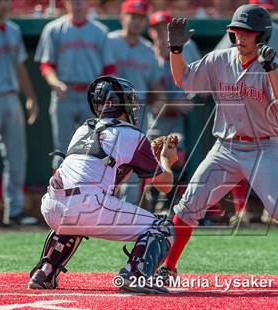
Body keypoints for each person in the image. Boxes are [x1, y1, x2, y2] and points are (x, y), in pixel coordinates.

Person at [156, 4, 278, 287]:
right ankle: (169, 267)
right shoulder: (219, 60)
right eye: (236, 31)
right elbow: (183, 79)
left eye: (247, 32)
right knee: (188, 206)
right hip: (225, 147)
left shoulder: (273, 66)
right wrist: (176, 51)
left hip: (263, 148)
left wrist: (271, 67)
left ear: (262, 36)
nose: (240, 37)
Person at [28, 76, 177, 294]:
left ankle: (44, 271)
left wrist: (132, 164)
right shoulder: (132, 134)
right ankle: (134, 275)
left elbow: (102, 179)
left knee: (72, 220)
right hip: (87, 204)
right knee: (163, 228)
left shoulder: (83, 129)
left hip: (51, 205)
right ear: (122, 104)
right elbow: (165, 185)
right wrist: (166, 160)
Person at [214, 0, 278, 225]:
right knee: (236, 156)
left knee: (274, 157)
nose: (262, 15)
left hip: (267, 100)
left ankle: (272, 209)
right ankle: (242, 210)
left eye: (267, 11)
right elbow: (223, 58)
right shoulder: (239, 32)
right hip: (241, 97)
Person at [35, 0, 116, 171]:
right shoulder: (53, 29)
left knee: (93, 150)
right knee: (62, 151)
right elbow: (46, 65)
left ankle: (88, 195)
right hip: (65, 94)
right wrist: (55, 83)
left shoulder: (100, 31)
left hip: (91, 96)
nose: (77, 3)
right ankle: (59, 195)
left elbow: (109, 69)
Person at [0, 0, 38, 226]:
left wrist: (31, 97)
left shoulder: (14, 30)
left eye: (7, 1)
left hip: (11, 97)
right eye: (0, 1)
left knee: (17, 157)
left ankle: (14, 210)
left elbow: (20, 67)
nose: (5, 5)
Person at [107, 0, 166, 205]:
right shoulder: (109, 42)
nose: (137, 22)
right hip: (109, 111)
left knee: (132, 161)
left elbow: (155, 84)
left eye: (141, 18)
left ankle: (127, 209)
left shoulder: (148, 49)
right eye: (133, 16)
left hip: (137, 112)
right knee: (104, 161)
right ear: (123, 18)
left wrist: (160, 100)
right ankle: (100, 206)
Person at [146, 10, 201, 213]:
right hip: (153, 119)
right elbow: (153, 99)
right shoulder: (146, 53)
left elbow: (199, 84)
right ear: (151, 31)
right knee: (150, 156)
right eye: (157, 29)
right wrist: (172, 103)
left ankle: (169, 203)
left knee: (178, 155)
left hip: (181, 120)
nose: (162, 33)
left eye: (165, 28)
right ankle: (153, 203)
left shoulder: (187, 48)